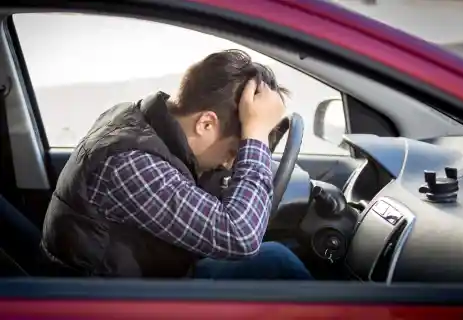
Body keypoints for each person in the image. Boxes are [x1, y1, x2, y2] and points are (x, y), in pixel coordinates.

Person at [40, 49, 313, 280]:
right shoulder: (130, 163)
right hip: (112, 302)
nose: (232, 163)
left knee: (278, 258)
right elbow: (241, 237)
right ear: (205, 124)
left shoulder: (144, 122)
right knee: (279, 265)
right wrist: (255, 137)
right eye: (235, 150)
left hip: (148, 276)